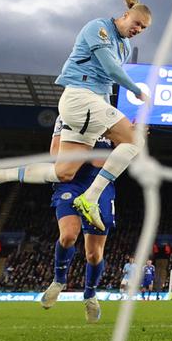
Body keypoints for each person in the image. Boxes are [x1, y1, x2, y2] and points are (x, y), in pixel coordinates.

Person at [0, 0, 151, 233]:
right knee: (134, 140)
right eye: (137, 23)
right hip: (79, 98)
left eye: (143, 28)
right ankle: (91, 198)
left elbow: (106, 83)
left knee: (64, 172)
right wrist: (137, 90)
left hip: (93, 103)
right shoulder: (98, 28)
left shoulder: (125, 46)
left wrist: (113, 120)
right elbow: (109, 67)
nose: (138, 29)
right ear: (126, 15)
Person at [40, 124, 117, 324]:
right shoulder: (66, 114)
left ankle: (90, 294)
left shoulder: (111, 117)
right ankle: (59, 280)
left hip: (99, 184)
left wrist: (134, 135)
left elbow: (109, 159)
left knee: (94, 254)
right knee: (68, 236)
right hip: (71, 182)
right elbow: (55, 153)